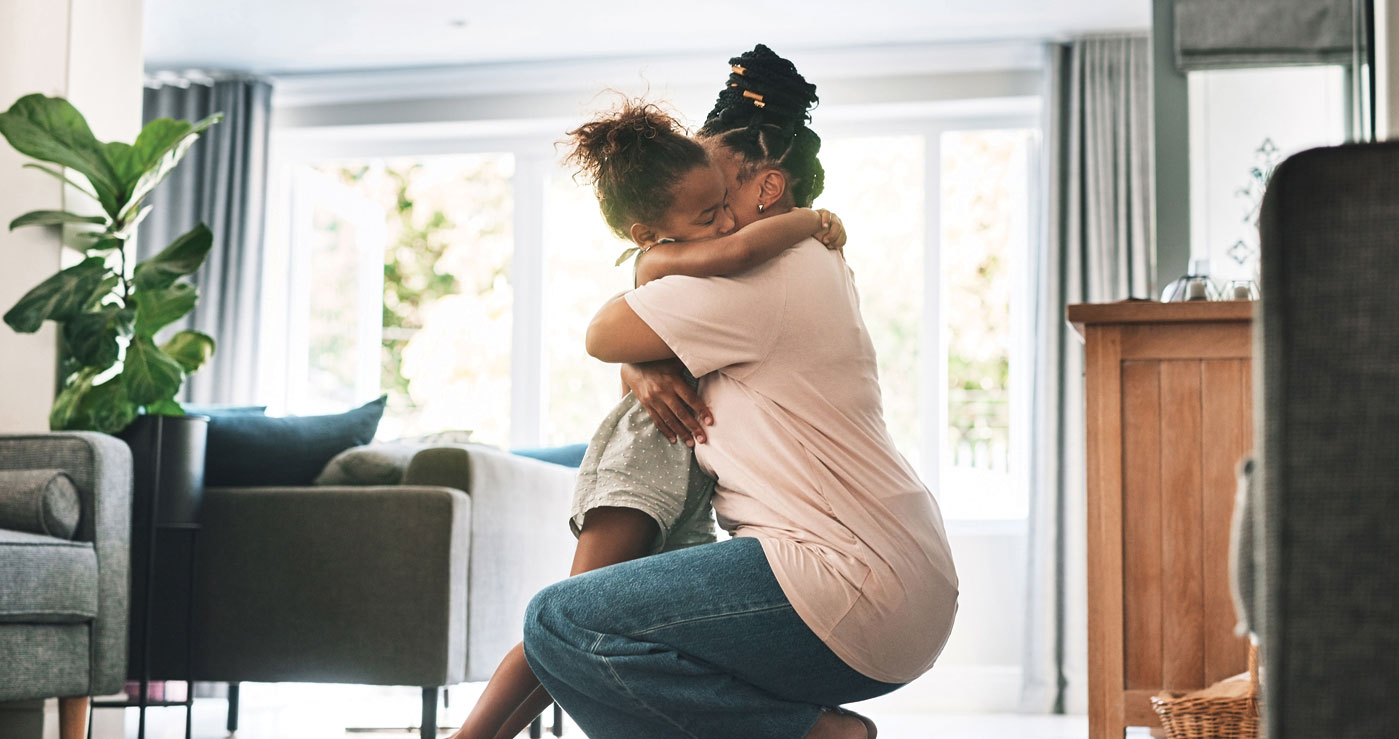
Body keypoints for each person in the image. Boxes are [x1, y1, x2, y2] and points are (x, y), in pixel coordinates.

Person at [521, 45, 959, 739]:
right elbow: (633, 343)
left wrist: (642, 312)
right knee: (626, 651)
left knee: (561, 618)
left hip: (845, 577)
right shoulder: (801, 264)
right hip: (890, 580)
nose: (697, 199)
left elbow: (605, 330)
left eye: (714, 188)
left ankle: (815, 734)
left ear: (765, 188)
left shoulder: (770, 271)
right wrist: (645, 365)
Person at [448, 98, 846, 739]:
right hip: (647, 450)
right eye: (708, 213)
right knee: (571, 613)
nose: (723, 223)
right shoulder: (662, 261)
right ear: (647, 232)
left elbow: (656, 342)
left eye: (724, 204)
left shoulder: (680, 257)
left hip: (685, 462)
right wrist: (815, 221)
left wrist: (638, 366)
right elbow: (734, 257)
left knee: (629, 632)